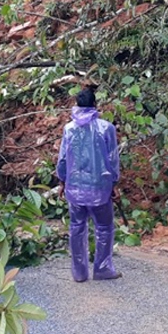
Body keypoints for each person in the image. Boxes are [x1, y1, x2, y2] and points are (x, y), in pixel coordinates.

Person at [55, 85, 121, 282]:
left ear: (77, 105)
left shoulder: (69, 129)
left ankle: (79, 272)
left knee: (77, 228)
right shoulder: (106, 128)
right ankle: (102, 268)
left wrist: (62, 181)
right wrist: (114, 182)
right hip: (99, 188)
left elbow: (63, 159)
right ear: (95, 104)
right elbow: (112, 159)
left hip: (75, 188)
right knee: (104, 227)